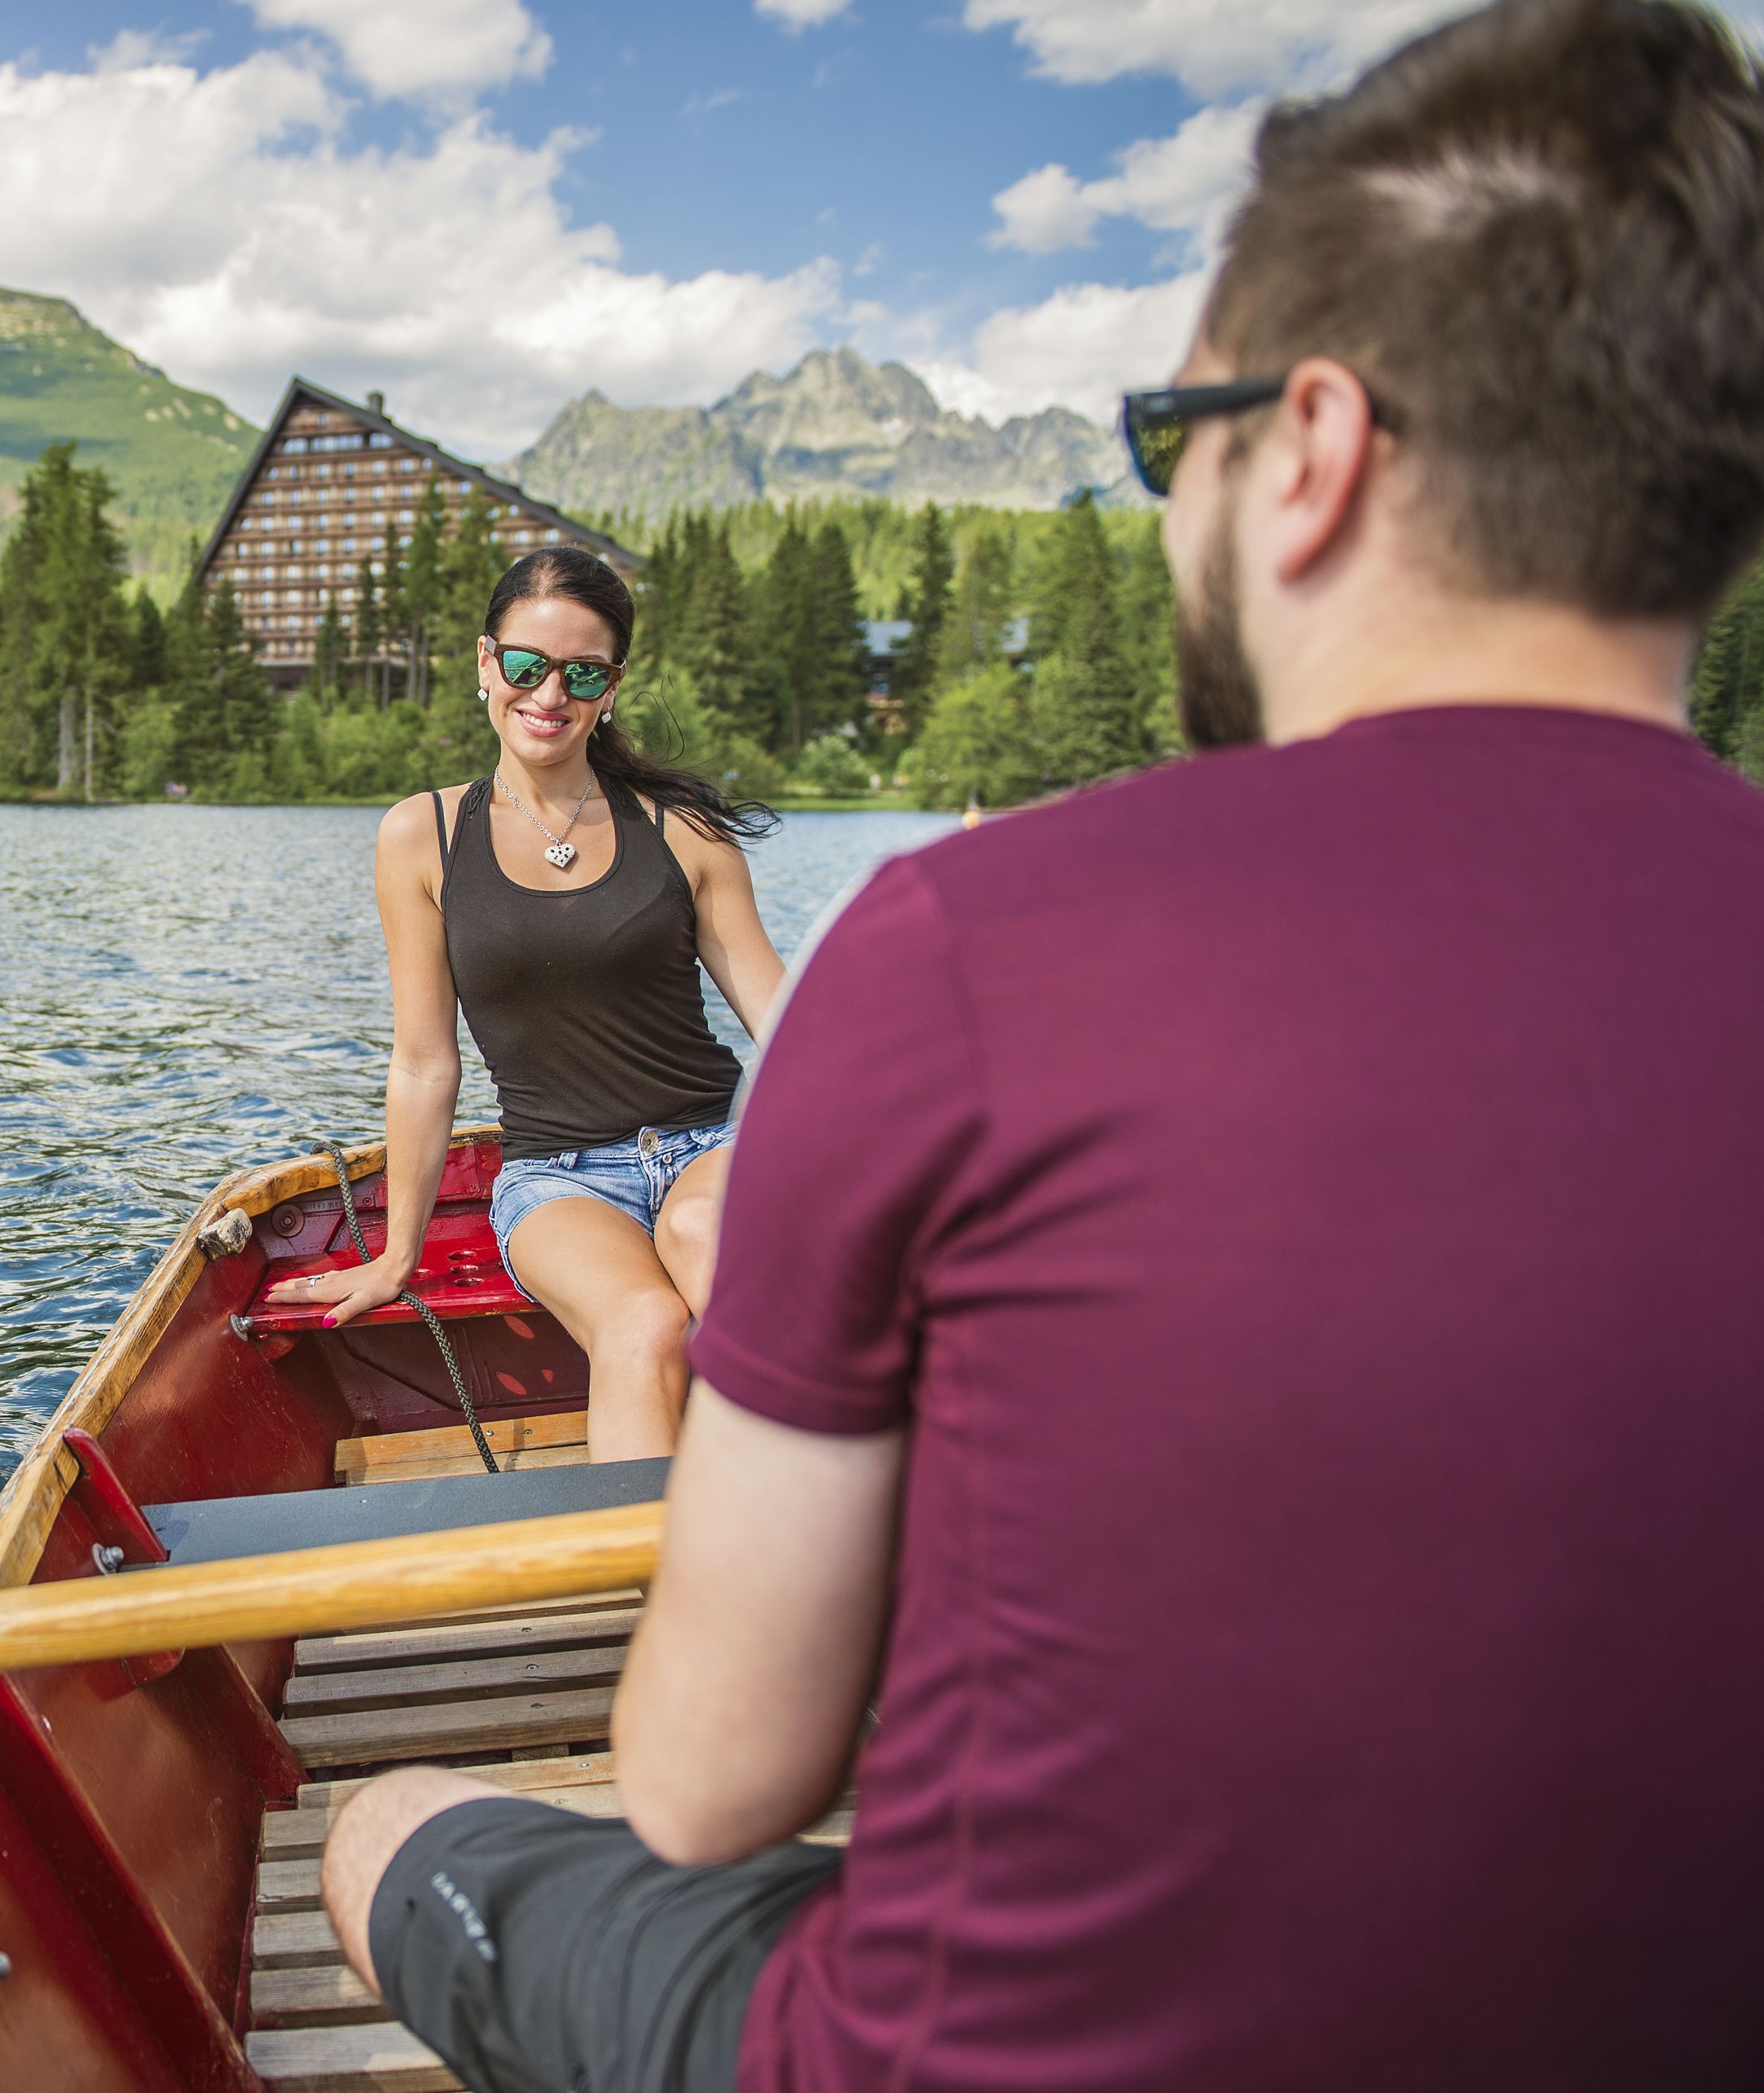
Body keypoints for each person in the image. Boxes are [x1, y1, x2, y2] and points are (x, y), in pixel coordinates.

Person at [320, 3, 1764, 2086]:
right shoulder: (472, 848)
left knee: (391, 1826)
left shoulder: (966, 944)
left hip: (977, 2049)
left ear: (1315, 449)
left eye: (1173, 442)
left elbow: (714, 1789)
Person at [266, 546, 783, 1460]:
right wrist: (396, 1256)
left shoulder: (683, 831)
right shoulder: (420, 836)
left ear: (611, 686)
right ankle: (657, 1594)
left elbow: (784, 1025)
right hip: (559, 1176)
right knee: (643, 1323)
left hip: (714, 1144)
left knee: (709, 1241)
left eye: (582, 672)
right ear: (485, 665)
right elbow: (427, 1063)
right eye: (526, 664)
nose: (550, 693)